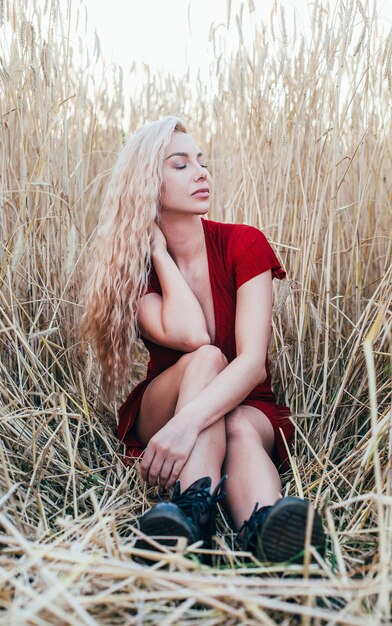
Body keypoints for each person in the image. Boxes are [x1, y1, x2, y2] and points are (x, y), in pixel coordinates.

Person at [81, 115, 326, 563]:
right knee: (207, 357)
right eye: (180, 165)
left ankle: (260, 525)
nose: (201, 172)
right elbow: (194, 337)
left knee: (236, 426)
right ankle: (197, 507)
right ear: (146, 184)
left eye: (202, 162)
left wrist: (188, 425)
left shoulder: (244, 244)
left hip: (247, 403)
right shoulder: (133, 271)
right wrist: (158, 253)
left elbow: (252, 363)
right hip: (166, 404)